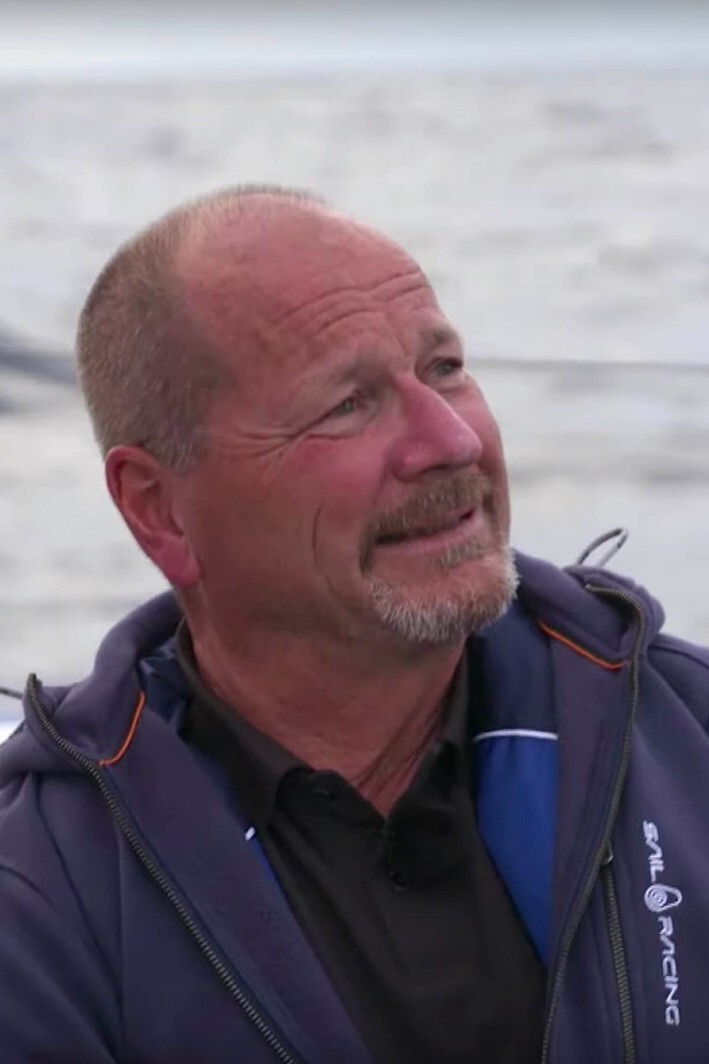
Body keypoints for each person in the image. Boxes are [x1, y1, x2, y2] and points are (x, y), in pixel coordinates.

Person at [0, 185, 708, 1064]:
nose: (450, 442)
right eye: (347, 405)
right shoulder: (43, 898)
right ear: (158, 509)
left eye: (444, 368)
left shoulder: (685, 742)